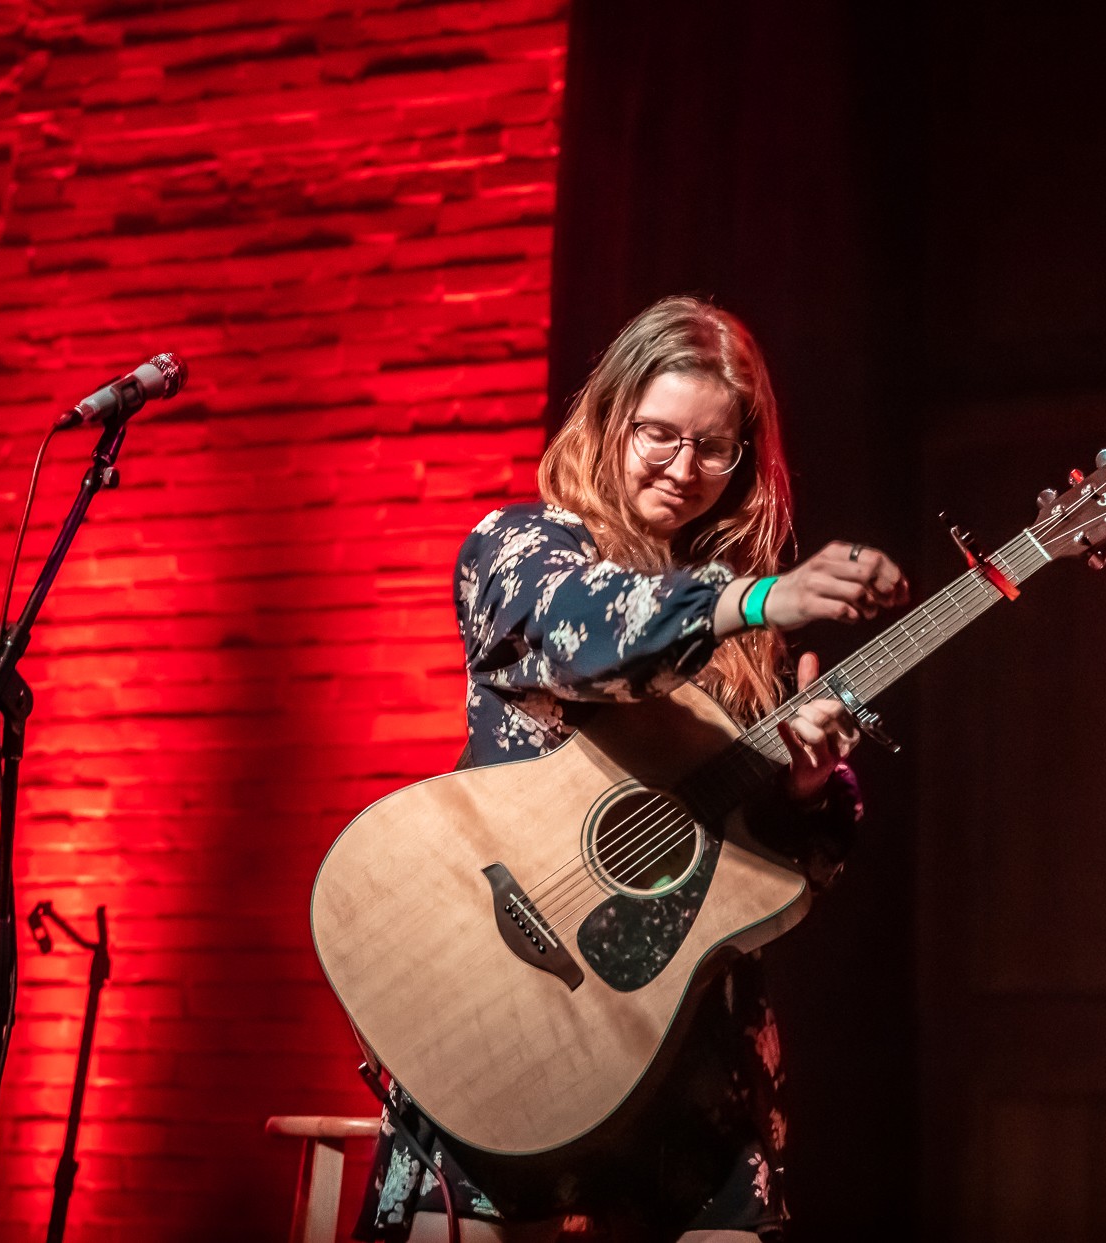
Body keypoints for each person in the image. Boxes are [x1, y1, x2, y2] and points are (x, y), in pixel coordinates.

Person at [351, 296, 909, 1243]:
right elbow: (589, 631)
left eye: (714, 449)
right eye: (658, 434)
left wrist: (807, 792)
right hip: (512, 1013)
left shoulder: (756, 634)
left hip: (688, 1052)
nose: (683, 469)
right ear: (609, 419)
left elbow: (788, 875)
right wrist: (757, 597)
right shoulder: (520, 550)